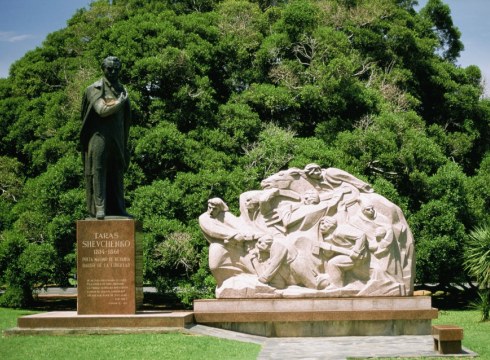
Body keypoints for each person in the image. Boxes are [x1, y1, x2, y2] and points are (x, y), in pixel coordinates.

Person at [80, 56, 131, 220]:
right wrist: (119, 103)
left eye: (116, 68)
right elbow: (101, 110)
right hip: (99, 137)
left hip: (117, 137)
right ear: (103, 68)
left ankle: (118, 207)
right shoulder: (94, 88)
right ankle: (99, 207)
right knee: (99, 170)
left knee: (117, 171)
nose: (113, 71)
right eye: (110, 68)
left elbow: (125, 121)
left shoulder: (122, 89)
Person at [199, 198, 257, 286]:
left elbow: (240, 225)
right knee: (215, 266)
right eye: (209, 207)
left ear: (220, 208)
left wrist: (247, 234)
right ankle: (225, 285)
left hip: (238, 246)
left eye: (214, 209)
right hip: (219, 245)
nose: (211, 211)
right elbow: (212, 231)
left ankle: (244, 282)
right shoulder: (203, 218)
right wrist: (234, 234)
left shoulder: (225, 215)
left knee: (252, 270)